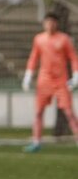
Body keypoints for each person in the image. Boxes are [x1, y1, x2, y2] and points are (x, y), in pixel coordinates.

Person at [21, 11, 78, 152]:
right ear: (44, 23)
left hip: (61, 81)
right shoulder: (39, 39)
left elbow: (73, 58)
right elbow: (34, 57)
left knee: (69, 112)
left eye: (52, 22)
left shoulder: (64, 39)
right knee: (38, 112)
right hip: (44, 80)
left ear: (56, 24)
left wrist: (76, 75)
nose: (49, 25)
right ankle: (36, 142)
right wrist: (28, 75)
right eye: (47, 22)